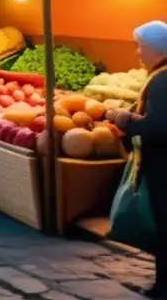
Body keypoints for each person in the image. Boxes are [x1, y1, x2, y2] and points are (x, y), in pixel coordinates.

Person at [106, 21, 167, 298]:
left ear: (156, 49)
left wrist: (127, 120)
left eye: (140, 46)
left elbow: (159, 127)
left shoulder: (162, 81)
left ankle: (164, 286)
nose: (137, 53)